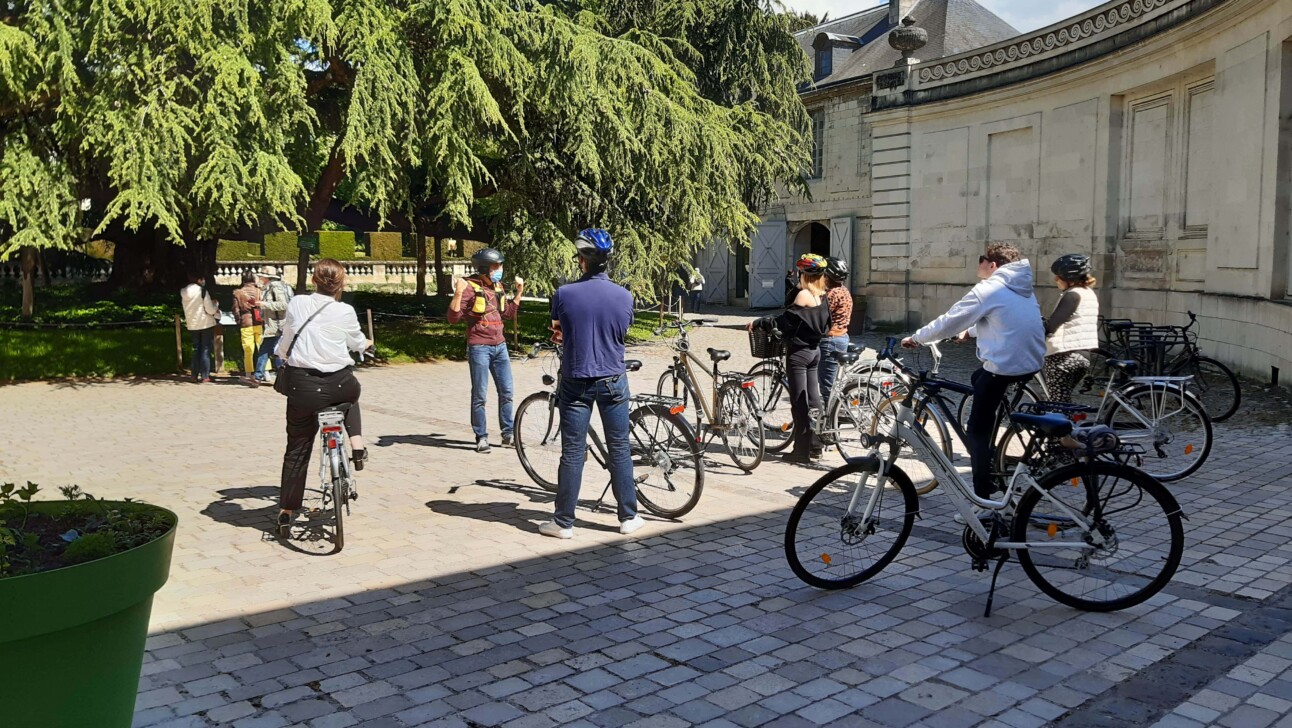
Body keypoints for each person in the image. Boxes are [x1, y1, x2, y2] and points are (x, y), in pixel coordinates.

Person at [901, 243, 1045, 500]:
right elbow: (1003, 321)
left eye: (981, 259)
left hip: (1004, 368)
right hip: (1029, 364)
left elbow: (950, 319)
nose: (978, 264)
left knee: (976, 432)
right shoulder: (1021, 288)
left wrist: (917, 337)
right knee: (977, 378)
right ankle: (995, 447)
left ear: (993, 264)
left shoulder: (990, 288)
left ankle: (984, 498)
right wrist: (971, 332)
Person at [540, 228, 641, 539]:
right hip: (613, 378)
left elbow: (558, 332)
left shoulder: (564, 294)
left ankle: (563, 523)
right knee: (620, 448)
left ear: (581, 260)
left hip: (576, 380)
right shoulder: (625, 296)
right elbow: (622, 330)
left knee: (572, 451)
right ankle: (628, 517)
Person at [275, 259, 372, 535]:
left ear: (314, 279)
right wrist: (366, 344)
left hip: (303, 388)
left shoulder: (297, 304)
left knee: (297, 448)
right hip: (338, 384)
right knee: (350, 398)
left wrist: (282, 354)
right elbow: (356, 342)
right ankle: (357, 445)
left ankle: (287, 510)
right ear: (341, 283)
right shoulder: (346, 311)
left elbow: (287, 337)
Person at [751, 254, 832, 465]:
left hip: (799, 354)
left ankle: (801, 451)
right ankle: (816, 446)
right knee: (814, 399)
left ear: (804, 274)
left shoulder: (803, 295)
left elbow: (782, 321)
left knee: (799, 403)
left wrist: (759, 322)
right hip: (815, 351)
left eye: (801, 273)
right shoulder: (822, 295)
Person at [446, 248, 525, 453]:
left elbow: (507, 313)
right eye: (496, 266)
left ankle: (508, 434)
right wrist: (458, 292)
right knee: (480, 395)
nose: (500, 270)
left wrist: (519, 292)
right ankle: (481, 437)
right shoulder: (470, 287)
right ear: (483, 268)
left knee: (507, 392)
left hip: (500, 346)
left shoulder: (497, 286)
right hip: (479, 347)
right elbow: (453, 318)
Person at [1043, 254, 1099, 403]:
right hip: (1083, 355)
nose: (1056, 280)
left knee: (1058, 403)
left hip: (1063, 356)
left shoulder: (1072, 295)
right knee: (1063, 400)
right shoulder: (1089, 293)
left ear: (1070, 279)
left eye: (1059, 277)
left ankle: (1065, 425)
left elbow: (1052, 325)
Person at [818, 257, 853, 397]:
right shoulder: (843, 290)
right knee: (831, 382)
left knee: (828, 388)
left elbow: (820, 318)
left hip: (830, 340)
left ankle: (831, 417)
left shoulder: (831, 294)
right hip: (842, 336)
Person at [255, 265, 293, 384]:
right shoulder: (273, 287)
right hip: (275, 324)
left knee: (274, 351)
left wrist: (264, 304)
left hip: (277, 324)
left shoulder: (275, 287)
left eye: (262, 276)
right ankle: (260, 376)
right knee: (270, 350)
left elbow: (284, 305)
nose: (261, 278)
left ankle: (281, 375)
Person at [180, 273, 220, 383]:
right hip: (205, 323)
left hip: (192, 324)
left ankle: (193, 375)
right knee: (205, 350)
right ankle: (205, 375)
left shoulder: (183, 292)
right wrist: (215, 305)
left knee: (196, 349)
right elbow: (210, 310)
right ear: (199, 279)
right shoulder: (202, 292)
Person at [232, 271, 264, 386]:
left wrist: (238, 321)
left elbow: (236, 310)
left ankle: (248, 373)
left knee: (248, 349)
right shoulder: (259, 291)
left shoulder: (238, 293)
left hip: (245, 323)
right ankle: (265, 371)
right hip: (259, 322)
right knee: (262, 347)